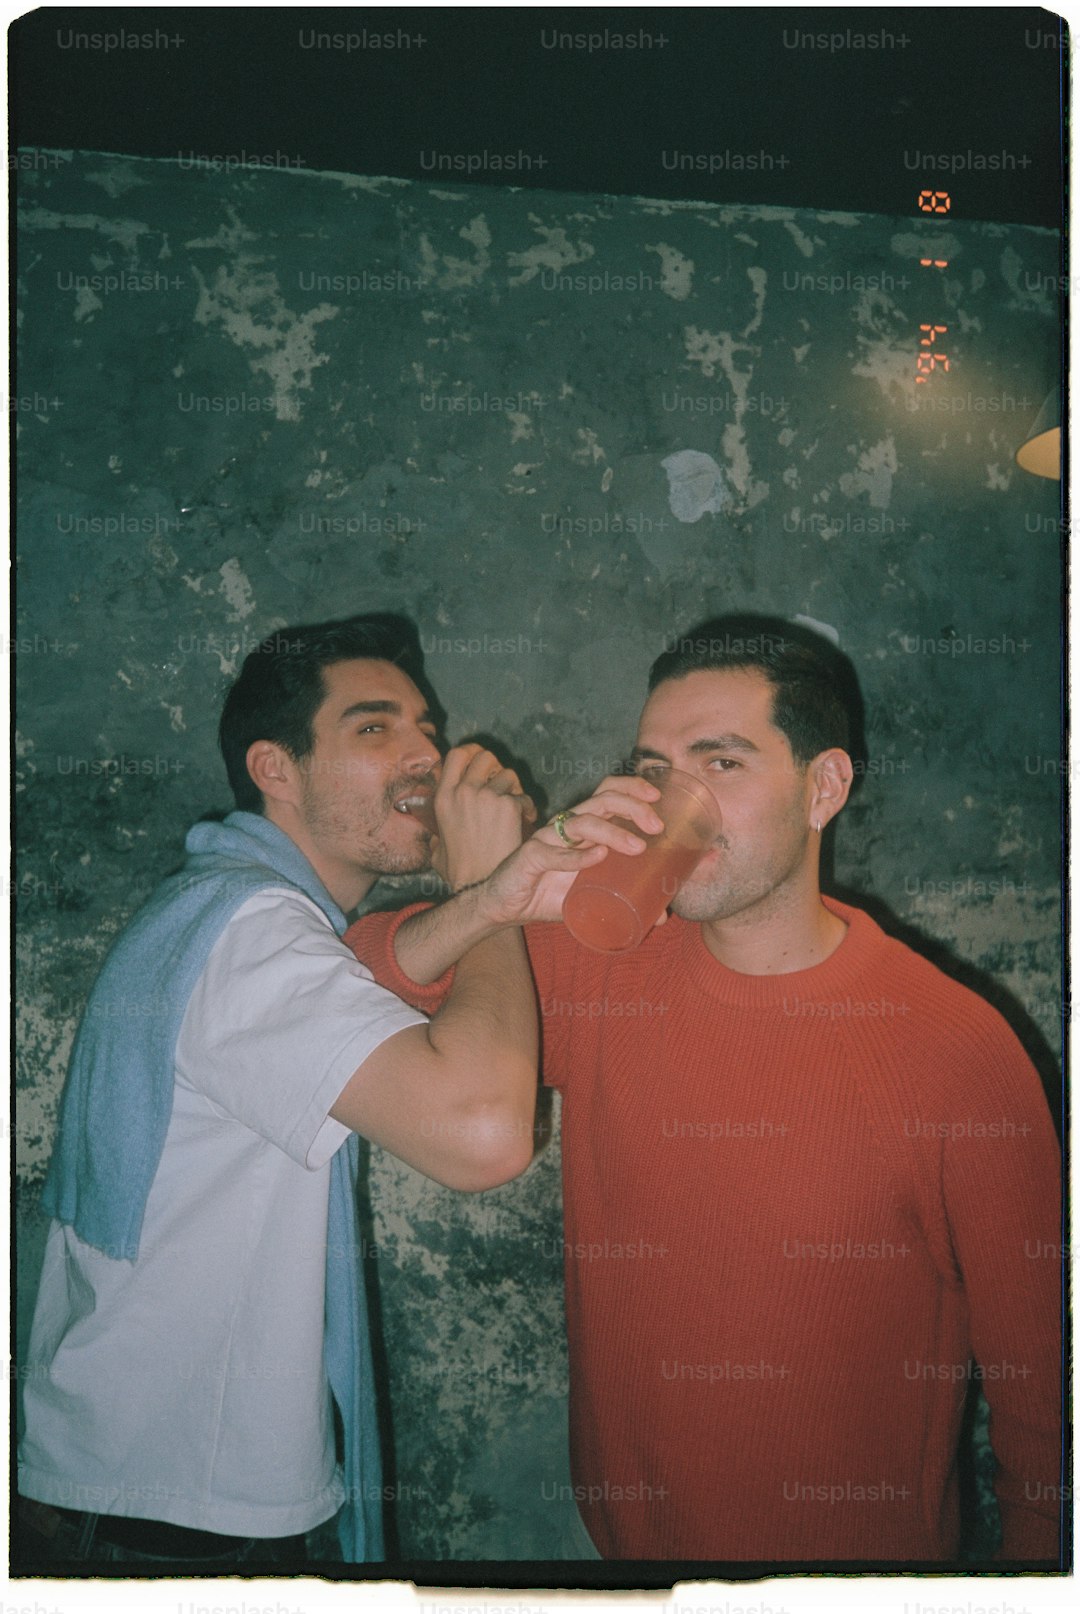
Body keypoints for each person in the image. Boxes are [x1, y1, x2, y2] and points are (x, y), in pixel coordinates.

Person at [347, 615, 1064, 1565]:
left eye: (720, 763)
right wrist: (501, 894)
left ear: (825, 787)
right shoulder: (603, 966)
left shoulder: (960, 1053)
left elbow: (1048, 1410)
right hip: (619, 1552)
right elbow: (359, 978)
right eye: (656, 767)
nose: (672, 799)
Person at [15, 612, 622, 1572]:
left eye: (427, 726)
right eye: (375, 729)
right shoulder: (252, 936)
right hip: (176, 1530)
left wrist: (494, 896)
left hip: (124, 1488)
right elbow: (484, 1135)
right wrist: (492, 890)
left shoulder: (215, 910)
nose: (427, 753)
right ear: (275, 767)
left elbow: (360, 982)